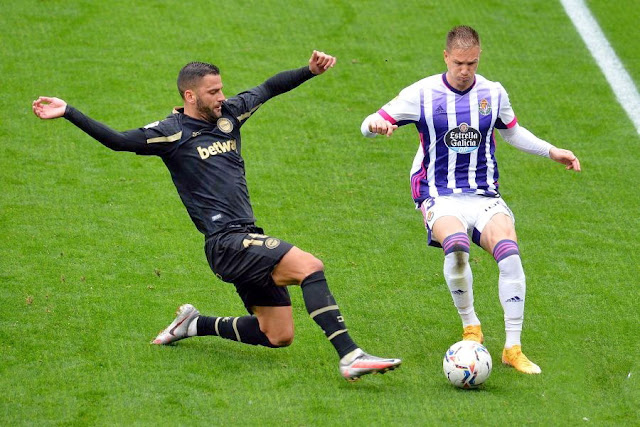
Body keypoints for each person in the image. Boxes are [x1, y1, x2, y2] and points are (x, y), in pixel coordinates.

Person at [33, 50, 401, 381]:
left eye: (221, 89)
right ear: (190, 96)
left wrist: (309, 70)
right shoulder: (170, 133)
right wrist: (69, 112)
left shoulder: (230, 114)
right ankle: (351, 355)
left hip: (245, 237)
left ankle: (194, 324)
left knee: (278, 335)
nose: (222, 97)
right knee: (309, 266)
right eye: (213, 92)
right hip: (227, 242)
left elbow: (269, 88)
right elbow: (117, 140)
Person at [360, 26, 580, 374]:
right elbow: (368, 121)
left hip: (482, 193)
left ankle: (512, 347)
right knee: (458, 246)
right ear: (446, 57)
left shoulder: (492, 93)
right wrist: (376, 126)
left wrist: (552, 151)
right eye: (459, 63)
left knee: (509, 253)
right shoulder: (421, 93)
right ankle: (471, 326)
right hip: (438, 192)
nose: (465, 71)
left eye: (472, 64)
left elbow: (512, 132)